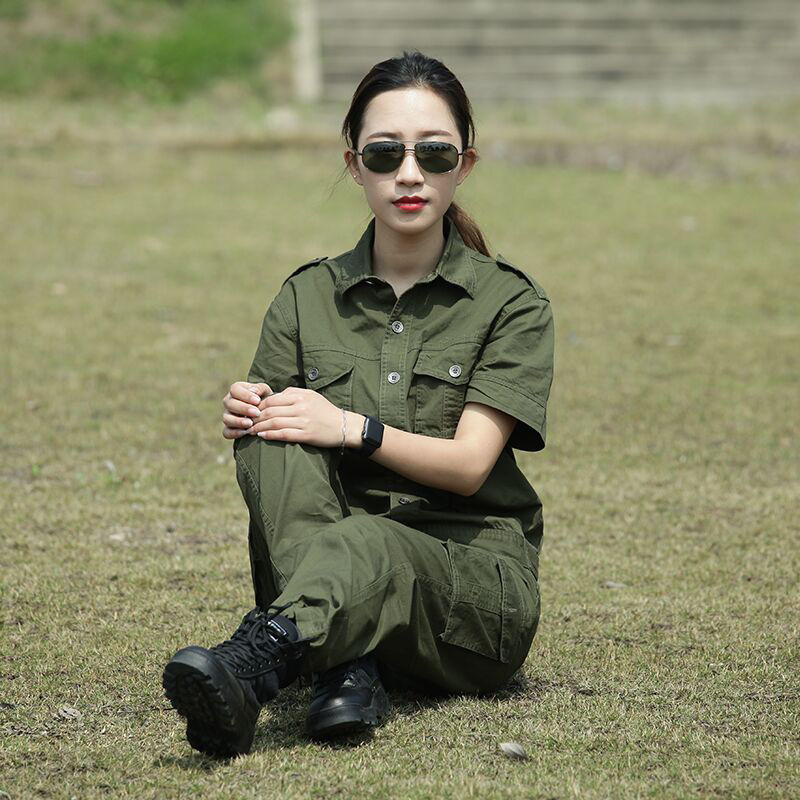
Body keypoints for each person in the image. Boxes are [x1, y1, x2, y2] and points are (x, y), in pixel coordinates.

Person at [161, 49, 555, 758]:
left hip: (468, 604)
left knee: (369, 538)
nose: (410, 173)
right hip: (336, 581)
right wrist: (248, 411)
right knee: (270, 433)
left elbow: (470, 467)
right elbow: (280, 459)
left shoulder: (510, 304)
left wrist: (352, 427)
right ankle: (348, 666)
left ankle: (257, 664)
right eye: (385, 153)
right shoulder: (304, 296)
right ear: (355, 165)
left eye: (434, 153)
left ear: (464, 165)